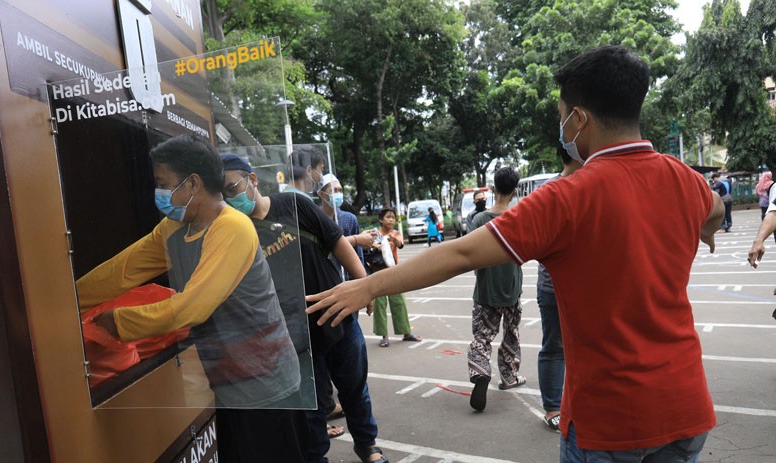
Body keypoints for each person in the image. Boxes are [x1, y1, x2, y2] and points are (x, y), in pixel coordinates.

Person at [307, 46, 725, 463]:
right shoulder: (684, 180)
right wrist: (704, 229)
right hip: (687, 406)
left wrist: (368, 286)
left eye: (562, 116)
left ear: (579, 119)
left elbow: (462, 253)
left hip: (614, 421)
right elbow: (717, 209)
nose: (562, 127)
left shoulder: (566, 199)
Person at [76, 135, 304, 462]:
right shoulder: (173, 229)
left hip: (267, 387)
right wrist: (66, 301)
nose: (160, 193)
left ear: (193, 183)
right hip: (227, 383)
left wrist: (118, 322)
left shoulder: (233, 228)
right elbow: (122, 271)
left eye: (163, 183)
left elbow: (192, 307)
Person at [221, 156, 388, 463]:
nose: (230, 198)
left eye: (233, 187)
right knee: (311, 405)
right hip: (291, 337)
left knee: (354, 390)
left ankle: (367, 446)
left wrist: (365, 285)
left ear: (253, 180)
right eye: (223, 193)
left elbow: (337, 242)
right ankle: (316, 458)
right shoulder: (234, 231)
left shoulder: (294, 205)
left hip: (338, 318)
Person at [317, 173, 377, 431]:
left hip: (349, 302)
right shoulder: (313, 218)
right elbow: (324, 248)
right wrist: (355, 240)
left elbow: (357, 257)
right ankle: (325, 415)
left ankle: (366, 440)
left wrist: (366, 288)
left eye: (341, 188)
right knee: (319, 376)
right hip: (322, 302)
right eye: (333, 189)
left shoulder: (349, 219)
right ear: (321, 194)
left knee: (355, 378)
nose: (338, 193)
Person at [468, 167, 525, 412]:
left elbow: (470, 253)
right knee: (510, 333)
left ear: (493, 189)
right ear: (515, 191)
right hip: (512, 288)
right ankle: (509, 377)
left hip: (485, 291)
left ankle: (481, 371)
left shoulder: (479, 220)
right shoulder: (519, 216)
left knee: (482, 337)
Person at [536, 147, 583, 431]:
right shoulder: (550, 192)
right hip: (554, 287)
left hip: (589, 287)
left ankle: (583, 403)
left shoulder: (594, 185)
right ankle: (553, 406)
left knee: (589, 345)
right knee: (554, 346)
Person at [370, 208, 422, 347]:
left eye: (393, 217)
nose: (391, 219)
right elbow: (368, 245)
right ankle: (384, 336)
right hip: (378, 273)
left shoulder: (395, 233)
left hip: (393, 272)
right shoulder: (375, 233)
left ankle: (406, 333)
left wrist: (391, 239)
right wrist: (376, 245)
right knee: (380, 305)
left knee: (399, 302)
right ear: (381, 220)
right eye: (388, 217)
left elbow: (400, 244)